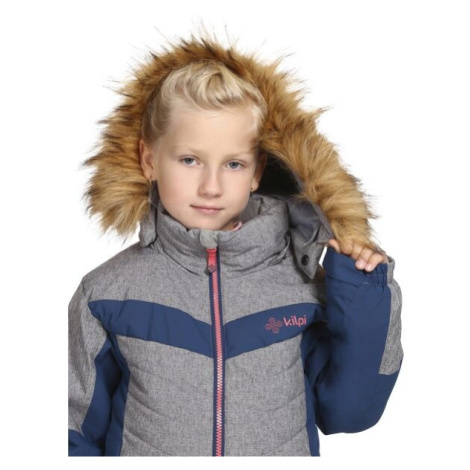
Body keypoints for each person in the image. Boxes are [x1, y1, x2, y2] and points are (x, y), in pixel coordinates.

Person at [68, 32, 404, 457]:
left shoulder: (301, 284)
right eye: (190, 160)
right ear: (149, 160)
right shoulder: (106, 294)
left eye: (233, 164)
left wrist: (362, 293)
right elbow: (72, 431)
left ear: (258, 171)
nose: (211, 186)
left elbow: (348, 414)